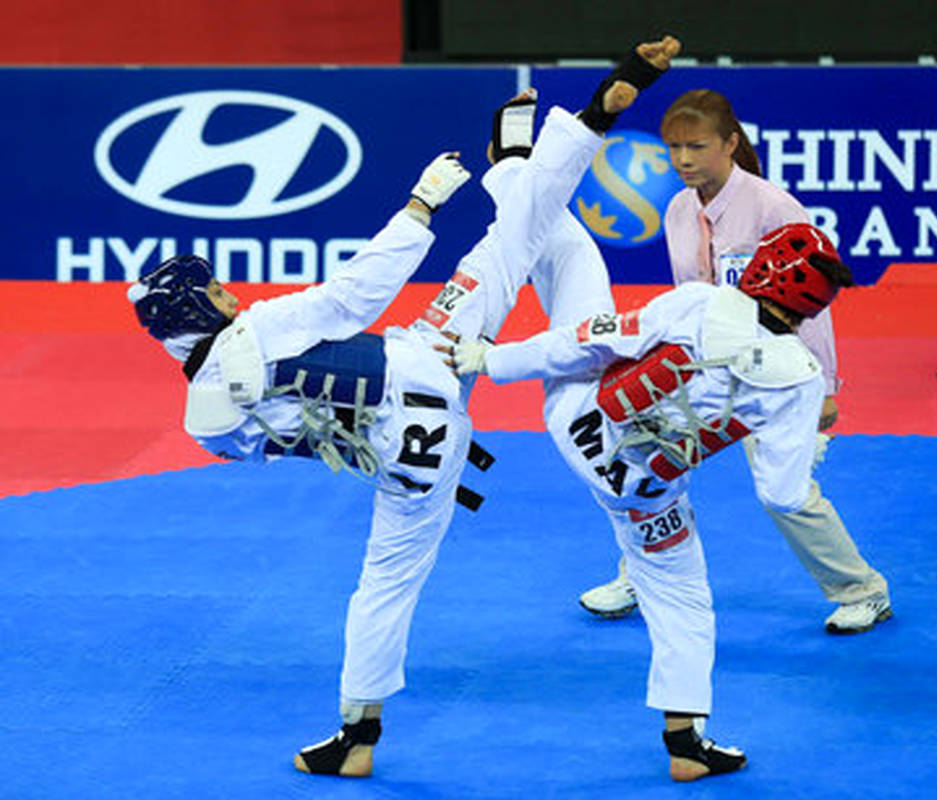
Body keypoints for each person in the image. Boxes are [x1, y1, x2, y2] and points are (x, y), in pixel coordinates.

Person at [127, 36, 689, 780]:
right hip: (431, 361)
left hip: (413, 458)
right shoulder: (256, 331)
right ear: (194, 313)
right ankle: (580, 122)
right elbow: (352, 296)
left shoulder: (207, 421)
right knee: (510, 238)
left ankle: (356, 734)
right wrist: (420, 206)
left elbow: (289, 436)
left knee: (383, 584)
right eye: (213, 292)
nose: (229, 293)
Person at [444, 220, 858, 782]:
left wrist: (492, 361)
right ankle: (685, 744)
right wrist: (805, 451)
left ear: (761, 269)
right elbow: (781, 496)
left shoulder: (700, 304)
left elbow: (588, 340)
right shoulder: (801, 381)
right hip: (639, 492)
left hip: (577, 420)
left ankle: (521, 183)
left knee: (574, 261)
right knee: (684, 602)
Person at [577, 89, 891, 635]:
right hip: (704, 371)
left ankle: (862, 591)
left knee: (787, 495)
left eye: (697, 146)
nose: (683, 159)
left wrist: (826, 388)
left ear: (729, 143)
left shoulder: (774, 208)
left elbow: (813, 302)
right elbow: (687, 298)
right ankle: (643, 576)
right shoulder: (677, 209)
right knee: (648, 470)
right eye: (675, 147)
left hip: (772, 376)